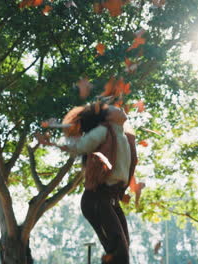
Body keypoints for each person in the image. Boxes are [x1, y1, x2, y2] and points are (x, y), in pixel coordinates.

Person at [61, 101, 138, 264]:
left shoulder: (122, 135)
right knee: (119, 255)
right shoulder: (103, 130)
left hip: (112, 199)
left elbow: (128, 165)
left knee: (122, 250)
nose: (121, 108)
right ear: (108, 117)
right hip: (96, 199)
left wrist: (122, 192)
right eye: (116, 108)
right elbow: (80, 146)